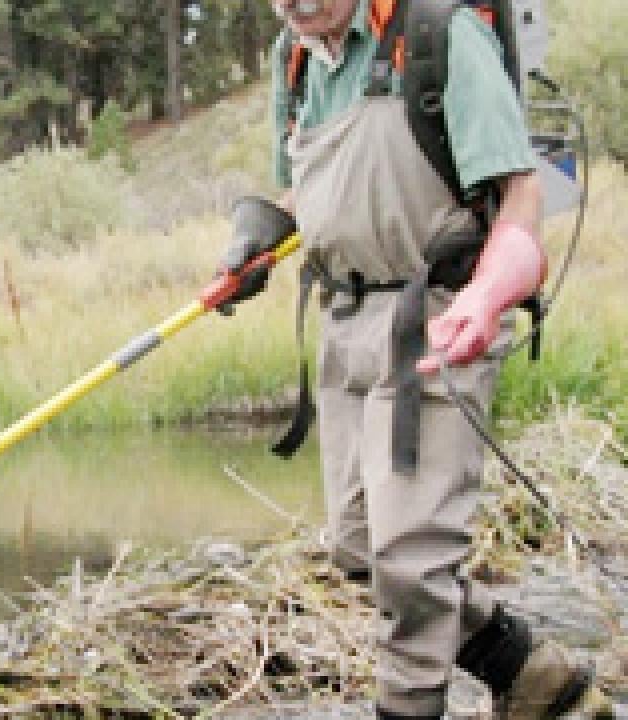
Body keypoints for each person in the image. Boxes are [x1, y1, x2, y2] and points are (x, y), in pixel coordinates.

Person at [219, 0, 615, 717]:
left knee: (410, 557)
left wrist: (486, 299)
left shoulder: (440, 35)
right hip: (345, 326)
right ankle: (531, 673)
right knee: (357, 544)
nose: (293, 3)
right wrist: (259, 241)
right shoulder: (297, 56)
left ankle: (409, 705)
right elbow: (310, 187)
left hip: (438, 317)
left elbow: (520, 197)